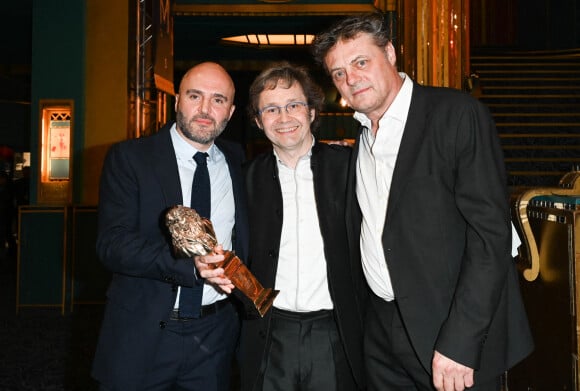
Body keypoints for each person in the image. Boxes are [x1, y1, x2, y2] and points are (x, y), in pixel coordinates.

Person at [311, 12, 534, 391]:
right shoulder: (361, 139)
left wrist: (462, 341)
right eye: (338, 73)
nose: (351, 79)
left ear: (391, 54)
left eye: (360, 62)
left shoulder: (455, 115)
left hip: (449, 332)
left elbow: (489, 238)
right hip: (381, 333)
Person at [197, 63, 367, 391]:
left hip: (336, 331)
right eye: (271, 109)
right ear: (258, 121)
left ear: (312, 112)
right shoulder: (242, 180)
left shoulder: (350, 169)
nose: (284, 117)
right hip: (268, 333)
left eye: (293, 105)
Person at [91, 61, 249, 391]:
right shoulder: (131, 158)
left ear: (231, 112)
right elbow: (112, 244)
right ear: (177, 100)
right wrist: (187, 264)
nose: (205, 109)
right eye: (195, 96)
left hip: (215, 333)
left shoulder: (239, 162)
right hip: (144, 331)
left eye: (218, 100)